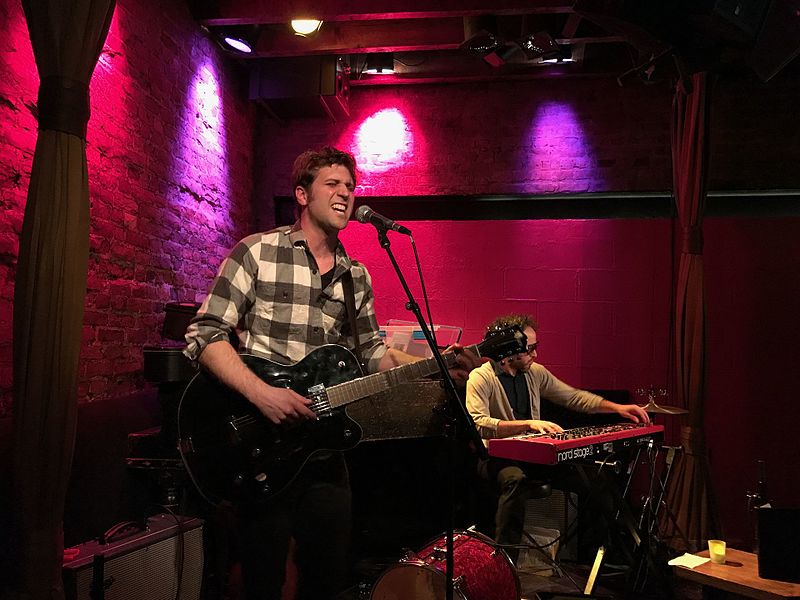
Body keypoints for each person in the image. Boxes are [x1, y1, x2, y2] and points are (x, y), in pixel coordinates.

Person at [184, 146, 479, 600]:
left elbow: (373, 354)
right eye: (332, 185)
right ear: (302, 195)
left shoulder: (355, 276)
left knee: (328, 577)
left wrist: (437, 364)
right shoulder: (258, 251)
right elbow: (205, 335)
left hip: (323, 449)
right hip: (263, 443)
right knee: (262, 581)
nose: (345, 194)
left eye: (350, 186)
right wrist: (264, 394)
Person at [465, 313, 650, 562]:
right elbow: (479, 425)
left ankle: (602, 556)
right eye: (529, 349)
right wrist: (528, 424)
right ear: (508, 350)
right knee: (515, 480)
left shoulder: (534, 373)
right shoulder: (481, 377)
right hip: (496, 458)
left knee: (596, 478)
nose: (535, 355)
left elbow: (573, 397)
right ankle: (505, 565)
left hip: (534, 457)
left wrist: (617, 408)